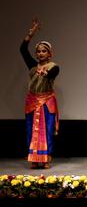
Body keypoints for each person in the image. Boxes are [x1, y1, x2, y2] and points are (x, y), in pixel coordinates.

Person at [20, 18, 60, 169]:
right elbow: (23, 50)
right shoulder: (32, 66)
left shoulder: (53, 66)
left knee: (47, 130)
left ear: (49, 54)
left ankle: (46, 157)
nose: (41, 53)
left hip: (46, 102)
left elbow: (53, 74)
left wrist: (46, 73)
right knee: (31, 129)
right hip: (32, 101)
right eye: (39, 51)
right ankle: (34, 159)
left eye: (44, 51)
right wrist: (30, 34)